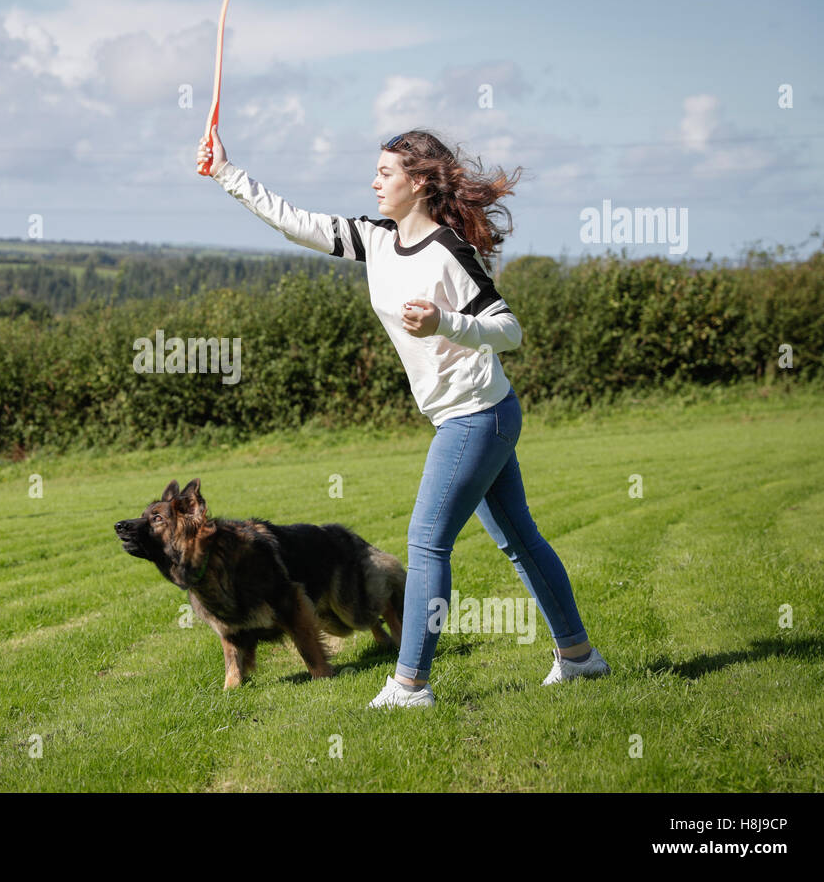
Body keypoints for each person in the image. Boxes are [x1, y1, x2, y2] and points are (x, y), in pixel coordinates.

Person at [196, 124, 610, 709]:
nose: (374, 182)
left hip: (478, 415)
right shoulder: (376, 238)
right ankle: (580, 658)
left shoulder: (447, 250)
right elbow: (296, 221)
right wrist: (226, 174)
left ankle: (411, 684)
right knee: (520, 541)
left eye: (385, 173)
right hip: (465, 417)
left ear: (418, 182)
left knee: (427, 542)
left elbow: (509, 330)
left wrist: (445, 321)